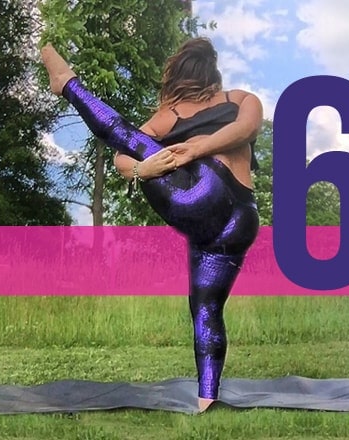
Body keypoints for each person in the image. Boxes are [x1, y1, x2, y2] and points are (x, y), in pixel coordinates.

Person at [39, 38, 262, 413]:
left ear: (178, 73)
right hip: (238, 222)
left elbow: (246, 129)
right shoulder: (202, 106)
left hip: (209, 198)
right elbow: (123, 160)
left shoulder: (232, 101)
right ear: (211, 71)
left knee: (127, 135)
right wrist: (143, 168)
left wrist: (191, 150)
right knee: (205, 309)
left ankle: (69, 85)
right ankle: (208, 399)